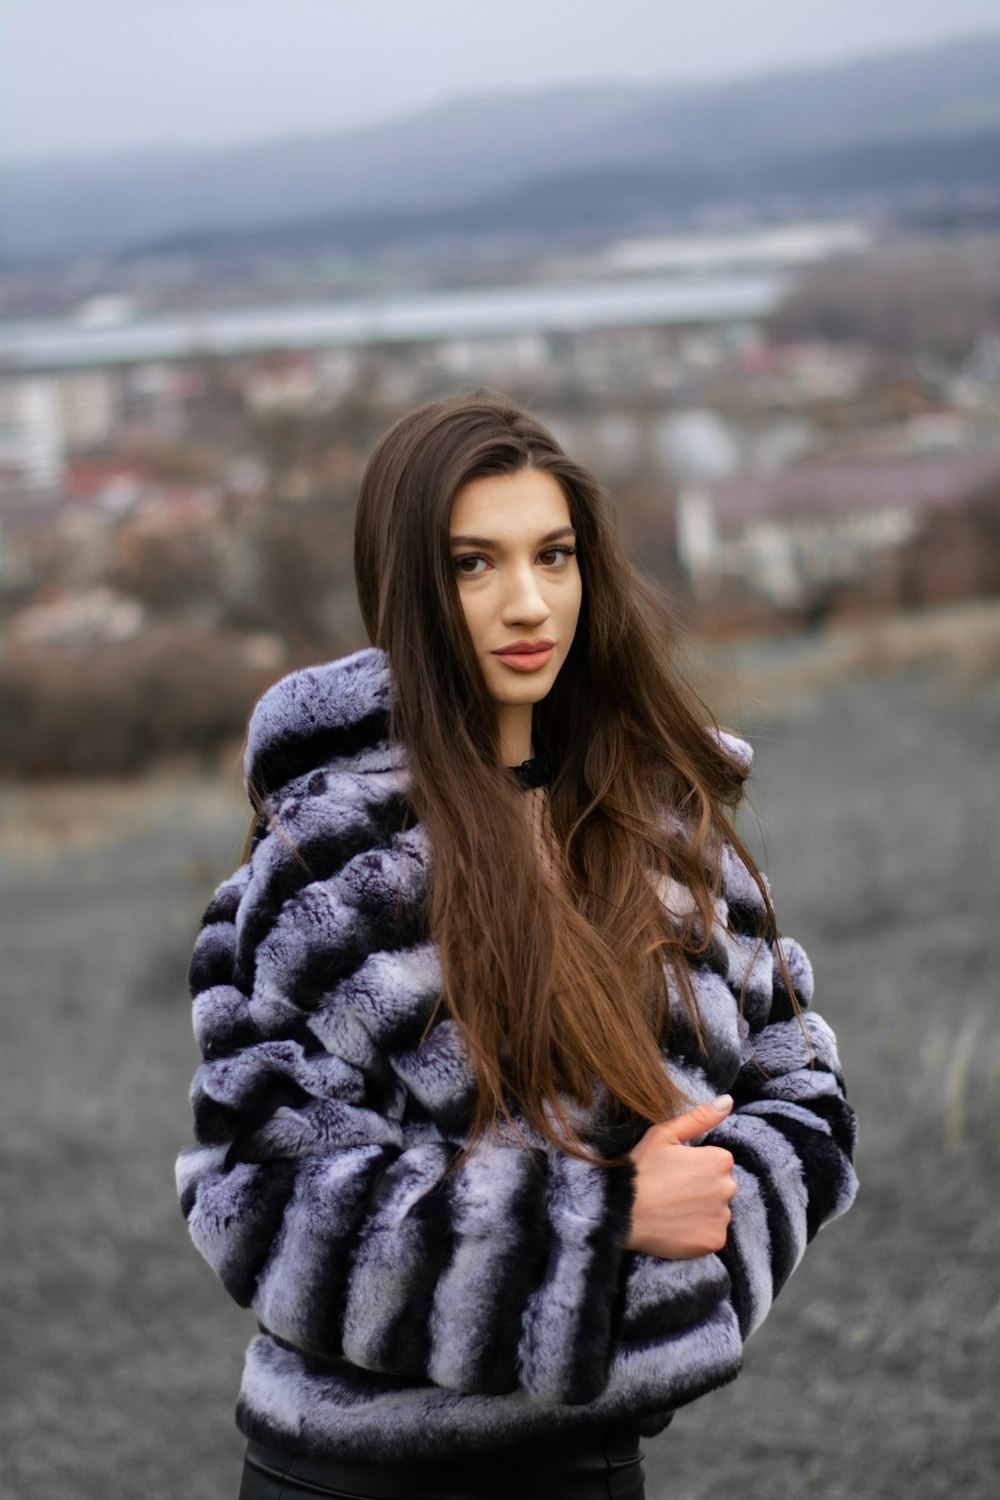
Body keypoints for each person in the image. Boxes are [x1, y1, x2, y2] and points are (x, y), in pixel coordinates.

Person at [176, 391, 858, 1500]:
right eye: (472, 565)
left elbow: (802, 1085)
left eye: (553, 554)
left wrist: (708, 1256)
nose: (527, 602)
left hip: (591, 1461)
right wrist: (601, 1228)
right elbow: (261, 1197)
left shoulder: (663, 824)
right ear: (408, 586)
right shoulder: (322, 865)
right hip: (361, 1474)